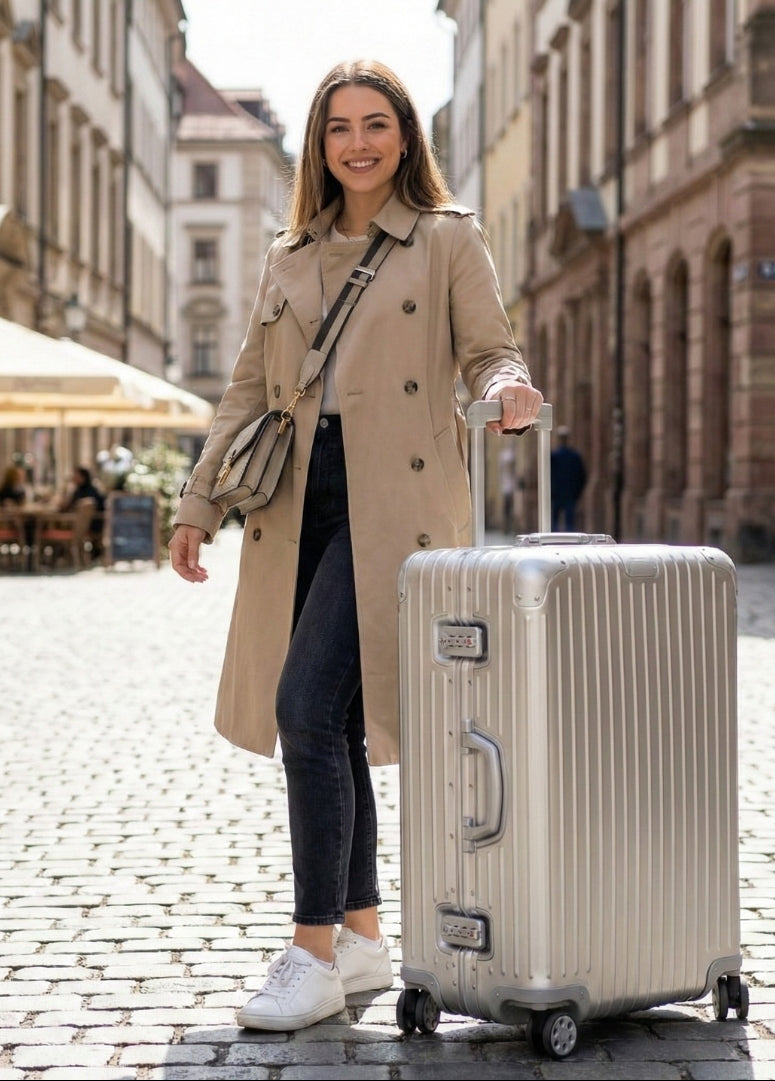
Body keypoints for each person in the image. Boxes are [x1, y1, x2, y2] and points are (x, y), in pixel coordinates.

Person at [168, 59, 543, 1034]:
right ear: (319, 145)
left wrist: (507, 389)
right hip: (298, 501)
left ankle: (312, 949)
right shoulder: (287, 255)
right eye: (340, 127)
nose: (359, 142)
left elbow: (487, 346)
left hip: (397, 501)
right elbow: (247, 390)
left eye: (378, 124)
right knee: (329, 722)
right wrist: (195, 505)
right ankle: (366, 933)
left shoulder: (446, 240)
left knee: (305, 704)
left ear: (406, 137)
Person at [550, 426, 587, 531]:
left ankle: (553, 542)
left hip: (558, 494)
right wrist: (577, 492)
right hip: (569, 494)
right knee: (569, 523)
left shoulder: (554, 456)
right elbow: (582, 476)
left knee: (555, 523)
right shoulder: (574, 456)